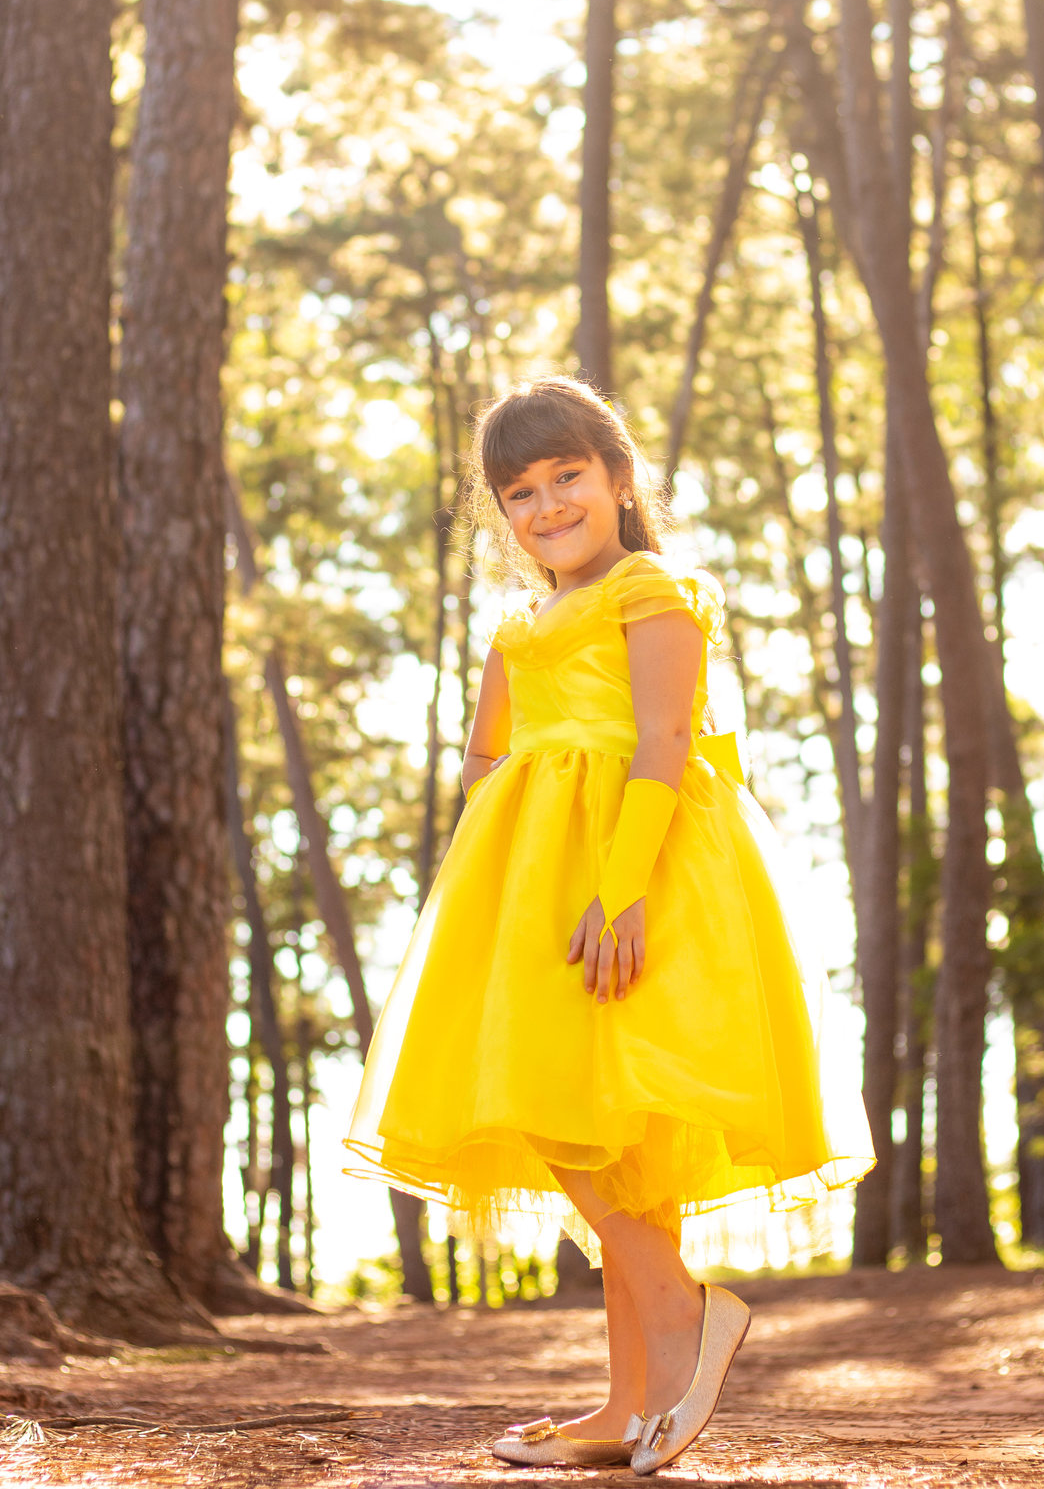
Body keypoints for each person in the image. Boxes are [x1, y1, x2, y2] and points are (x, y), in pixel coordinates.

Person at [345, 374, 874, 1475]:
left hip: (640, 872)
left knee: (609, 1125)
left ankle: (679, 1315)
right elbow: (486, 753)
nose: (547, 506)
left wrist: (621, 884)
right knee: (566, 1110)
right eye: (520, 492)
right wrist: (503, 846)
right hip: (536, 883)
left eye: (567, 476)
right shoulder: (516, 627)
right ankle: (630, 1405)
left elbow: (668, 741)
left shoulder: (652, 589)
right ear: (501, 511)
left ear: (620, 478)